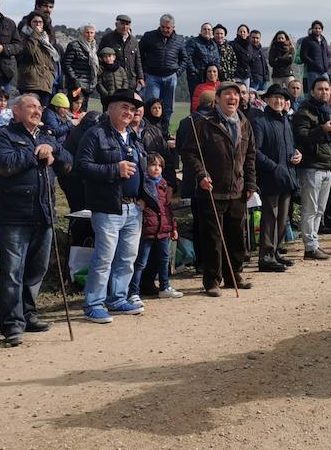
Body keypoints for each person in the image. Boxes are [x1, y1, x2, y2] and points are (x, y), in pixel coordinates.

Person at [0, 93, 72, 343]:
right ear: (16, 111)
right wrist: (37, 154)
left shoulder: (47, 135)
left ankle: (28, 313)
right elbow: (5, 164)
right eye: (31, 107)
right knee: (12, 271)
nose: (37, 110)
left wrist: (54, 148)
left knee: (37, 269)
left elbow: (69, 163)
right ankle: (12, 324)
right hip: (15, 215)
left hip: (43, 212)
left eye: (39, 107)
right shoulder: (3, 136)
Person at [76, 89, 146, 321]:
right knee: (104, 258)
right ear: (110, 108)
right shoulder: (95, 134)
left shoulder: (133, 136)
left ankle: (117, 299)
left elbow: (143, 169)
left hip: (134, 207)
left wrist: (144, 194)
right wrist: (115, 170)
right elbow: (82, 167)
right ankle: (93, 304)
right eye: (124, 107)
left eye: (132, 109)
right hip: (107, 207)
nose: (129, 112)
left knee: (127, 257)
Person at [183, 80, 257, 295]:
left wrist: (250, 182)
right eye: (227, 94)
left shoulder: (244, 123)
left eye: (235, 94)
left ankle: (234, 274)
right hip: (211, 190)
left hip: (238, 189)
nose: (232, 98)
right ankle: (212, 280)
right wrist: (201, 175)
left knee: (236, 236)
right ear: (217, 99)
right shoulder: (204, 122)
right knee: (213, 238)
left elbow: (250, 156)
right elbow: (190, 153)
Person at [252, 83, 299, 271]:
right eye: (275, 98)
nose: (279, 101)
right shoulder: (260, 121)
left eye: (282, 98)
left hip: (287, 177)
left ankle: (276, 251)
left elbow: (290, 146)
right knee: (270, 217)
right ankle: (266, 256)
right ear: (267, 100)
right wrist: (274, 167)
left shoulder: (287, 121)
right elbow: (255, 151)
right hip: (270, 177)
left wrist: (297, 155)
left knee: (282, 217)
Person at [293, 77, 331, 261]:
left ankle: (314, 244)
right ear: (312, 91)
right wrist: (322, 129)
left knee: (319, 209)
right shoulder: (304, 112)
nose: (324, 92)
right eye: (320, 89)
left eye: (327, 89)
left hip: (326, 166)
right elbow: (302, 138)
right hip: (311, 167)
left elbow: (327, 141)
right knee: (310, 209)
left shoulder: (325, 112)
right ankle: (309, 247)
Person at [136, 152, 182, 299]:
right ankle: (133, 291)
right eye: (153, 165)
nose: (156, 169)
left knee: (164, 259)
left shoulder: (164, 186)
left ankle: (165, 286)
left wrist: (173, 227)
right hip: (147, 230)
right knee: (141, 262)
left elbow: (167, 209)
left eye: (159, 166)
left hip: (163, 230)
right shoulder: (142, 185)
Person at [139, 14, 187, 125]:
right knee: (151, 106)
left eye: (168, 28)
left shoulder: (179, 40)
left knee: (168, 107)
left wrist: (177, 73)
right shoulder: (149, 36)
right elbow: (139, 56)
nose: (165, 30)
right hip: (152, 77)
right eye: (163, 27)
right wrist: (142, 74)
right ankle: (150, 130)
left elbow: (184, 59)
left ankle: (165, 132)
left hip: (170, 77)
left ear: (173, 27)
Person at [17, 12, 60, 104]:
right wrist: (35, 34)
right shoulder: (23, 36)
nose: (38, 24)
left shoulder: (46, 39)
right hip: (30, 83)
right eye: (35, 22)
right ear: (30, 23)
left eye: (40, 22)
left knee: (42, 113)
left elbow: (51, 59)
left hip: (45, 83)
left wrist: (51, 75)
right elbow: (29, 51)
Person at [99, 14, 143, 92]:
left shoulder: (134, 41)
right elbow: (100, 56)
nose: (125, 27)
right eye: (122, 24)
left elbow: (137, 60)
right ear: (116, 24)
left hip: (130, 80)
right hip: (113, 80)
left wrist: (140, 77)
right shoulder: (108, 39)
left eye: (127, 24)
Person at [63, 24, 100, 109]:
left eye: (92, 33)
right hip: (76, 84)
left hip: (88, 85)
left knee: (83, 111)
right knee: (74, 109)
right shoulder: (74, 45)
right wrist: (75, 79)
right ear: (82, 33)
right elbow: (66, 64)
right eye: (87, 32)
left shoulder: (94, 47)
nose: (89, 35)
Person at [184, 22, 220, 101]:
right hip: (196, 77)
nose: (207, 31)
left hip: (210, 77)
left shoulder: (214, 45)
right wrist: (194, 71)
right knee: (196, 100)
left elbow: (217, 61)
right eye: (205, 29)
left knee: (211, 100)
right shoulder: (193, 42)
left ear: (212, 32)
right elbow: (187, 57)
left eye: (209, 29)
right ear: (201, 31)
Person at [299, 21, 330, 94]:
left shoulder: (323, 40)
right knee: (313, 91)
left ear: (322, 29)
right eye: (315, 28)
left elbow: (326, 53)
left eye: (319, 28)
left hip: (324, 71)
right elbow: (303, 55)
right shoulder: (307, 40)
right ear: (312, 29)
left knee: (326, 91)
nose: (317, 30)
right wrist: (313, 63)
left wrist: (326, 64)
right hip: (313, 71)